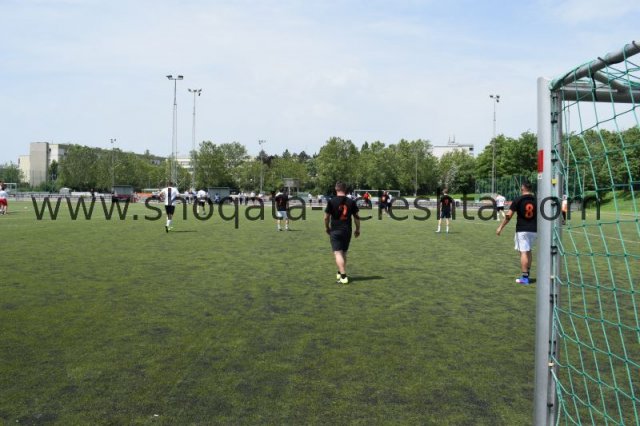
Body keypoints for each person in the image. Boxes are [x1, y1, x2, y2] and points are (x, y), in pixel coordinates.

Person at [496, 182, 537, 285]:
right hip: (534, 230)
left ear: (522, 188)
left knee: (523, 252)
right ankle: (527, 274)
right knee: (528, 251)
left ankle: (525, 278)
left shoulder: (518, 200)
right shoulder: (536, 200)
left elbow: (508, 216)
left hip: (522, 230)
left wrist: (500, 227)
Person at [324, 182, 361, 284]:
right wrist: (358, 229)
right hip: (347, 230)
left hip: (335, 230)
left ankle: (343, 276)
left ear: (336, 189)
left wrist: (327, 228)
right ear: (345, 190)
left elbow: (326, 218)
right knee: (343, 252)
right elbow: (357, 218)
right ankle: (340, 272)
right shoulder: (351, 202)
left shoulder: (331, 201)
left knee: (337, 253)